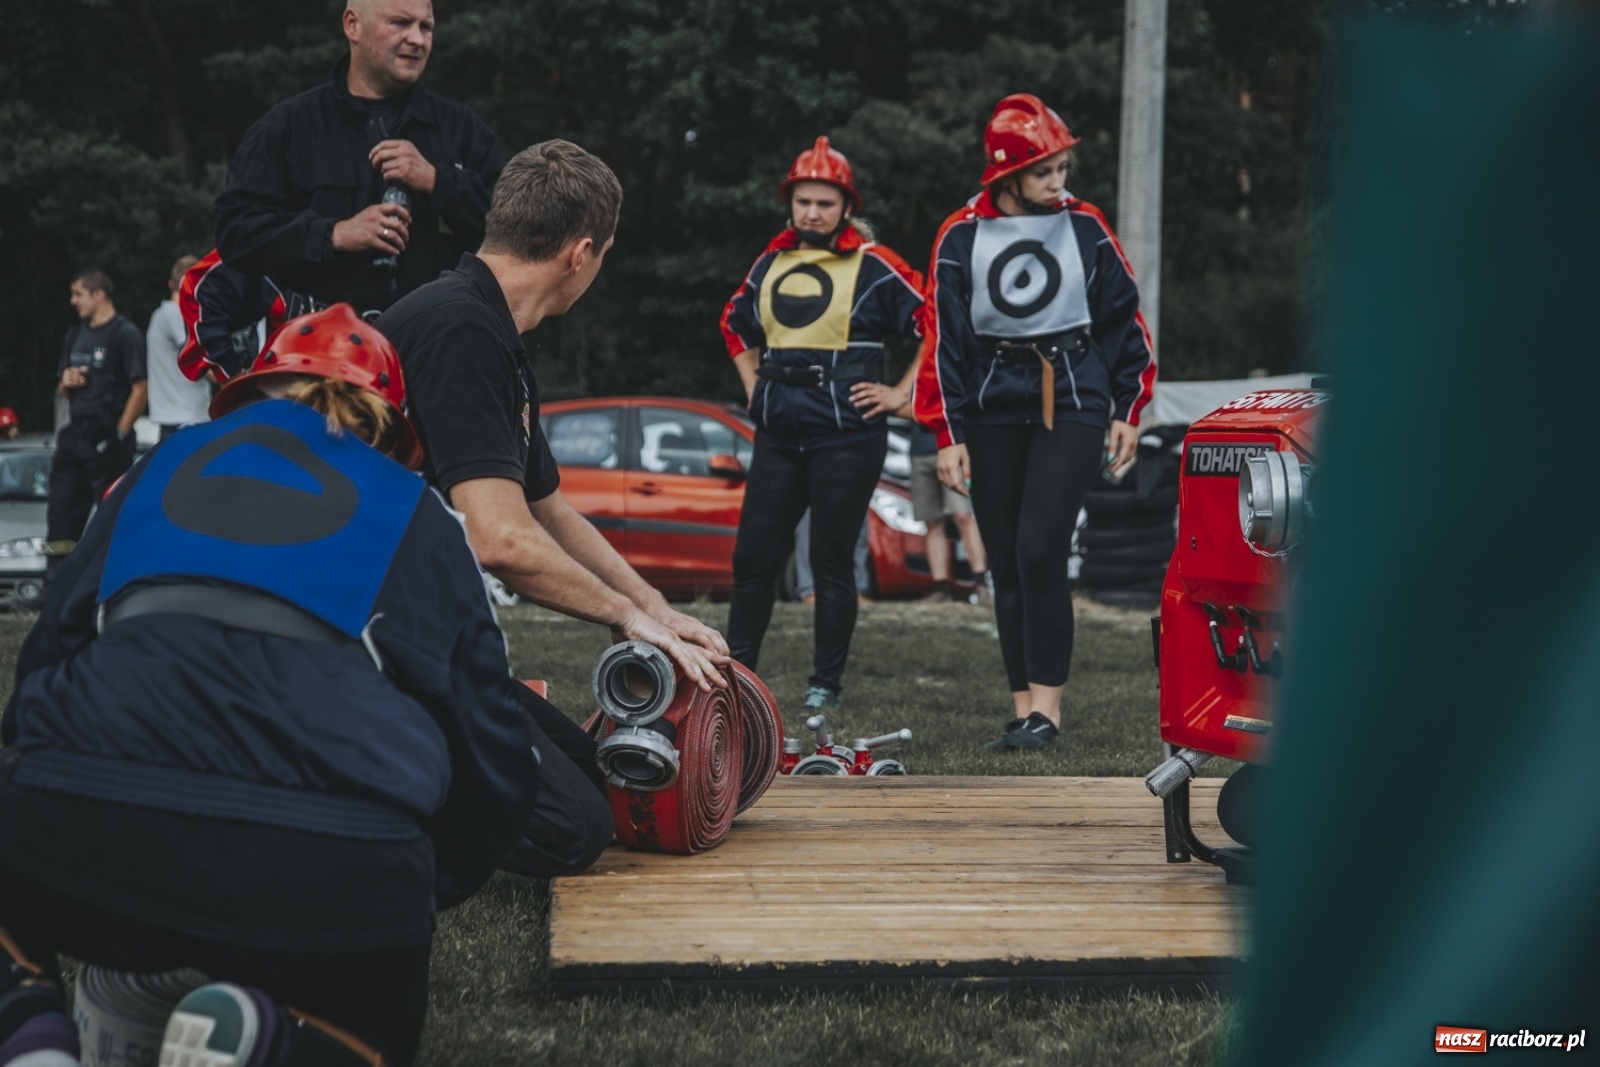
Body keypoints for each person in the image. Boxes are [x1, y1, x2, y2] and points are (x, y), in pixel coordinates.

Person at [0, 305, 536, 1066]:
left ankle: (31, 1034)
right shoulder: (416, 511)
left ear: (251, 399)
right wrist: (416, 882)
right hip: (331, 867)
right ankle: (271, 1041)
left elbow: (45, 660)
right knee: (372, 1037)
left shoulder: (150, 475)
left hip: (86, 823)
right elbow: (496, 758)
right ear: (390, 431)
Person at [377, 139, 729, 867]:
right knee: (571, 828)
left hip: (404, 626)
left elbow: (547, 511)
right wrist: (623, 615)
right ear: (581, 254)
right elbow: (500, 540)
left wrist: (655, 609)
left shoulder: (496, 331)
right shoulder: (459, 328)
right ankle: (367, 794)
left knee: (589, 770)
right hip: (358, 640)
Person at [914, 94, 1156, 750]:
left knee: (1040, 545)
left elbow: (1123, 319)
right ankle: (1024, 709)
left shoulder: (1087, 227)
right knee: (1005, 559)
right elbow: (944, 340)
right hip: (993, 403)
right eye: (1046, 171)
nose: (1060, 183)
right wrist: (946, 431)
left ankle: (1049, 711)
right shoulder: (959, 234)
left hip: (1074, 392)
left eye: (1063, 168)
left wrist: (1129, 406)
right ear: (1007, 175)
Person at [719, 136, 924, 713]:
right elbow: (733, 322)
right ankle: (735, 680)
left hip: (848, 434)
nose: (812, 213)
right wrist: (753, 383)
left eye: (825, 204)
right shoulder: (770, 261)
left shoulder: (876, 265)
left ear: (846, 209)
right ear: (791, 203)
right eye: (803, 201)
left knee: (832, 563)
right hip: (780, 432)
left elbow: (935, 320)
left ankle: (824, 687)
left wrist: (900, 393)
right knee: (753, 559)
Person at [215, 0, 503, 315]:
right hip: (323, 352)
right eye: (400, 23)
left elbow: (514, 237)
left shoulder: (460, 129)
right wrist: (332, 234)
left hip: (437, 348)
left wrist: (439, 183)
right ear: (353, 25)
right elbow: (237, 233)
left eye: (426, 27)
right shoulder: (290, 127)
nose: (417, 39)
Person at [46, 269, 146, 575]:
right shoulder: (75, 333)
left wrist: (119, 432)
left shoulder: (124, 333)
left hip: (108, 438)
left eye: (78, 294)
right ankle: (56, 585)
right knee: (62, 514)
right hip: (75, 435)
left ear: (98, 294)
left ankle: (111, 584)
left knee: (112, 516)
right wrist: (66, 380)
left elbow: (141, 388)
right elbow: (61, 386)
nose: (73, 301)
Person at [908, 421, 990, 604]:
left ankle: (981, 585)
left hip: (952, 446)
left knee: (964, 517)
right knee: (932, 522)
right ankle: (941, 588)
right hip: (920, 451)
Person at [145, 254, 209, 441]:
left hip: (174, 418)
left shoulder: (160, 315)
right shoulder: (176, 315)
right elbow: (204, 361)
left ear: (170, 284)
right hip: (187, 418)